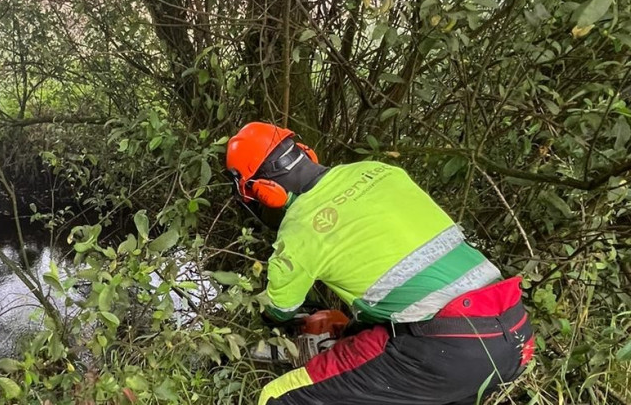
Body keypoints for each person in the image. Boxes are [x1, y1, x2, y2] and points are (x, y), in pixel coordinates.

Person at [225, 122, 534, 405]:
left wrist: (273, 316)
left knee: (276, 397)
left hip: (445, 348)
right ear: (305, 151)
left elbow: (280, 308)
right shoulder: (378, 170)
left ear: (265, 192)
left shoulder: (299, 229)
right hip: (515, 335)